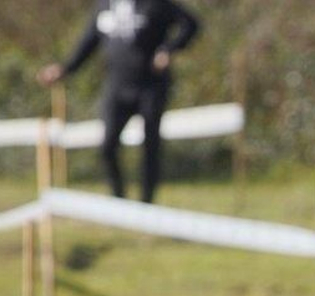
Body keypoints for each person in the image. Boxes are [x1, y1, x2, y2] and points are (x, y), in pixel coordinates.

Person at [38, 0, 200, 204]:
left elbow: (191, 24)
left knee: (150, 145)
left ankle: (147, 204)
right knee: (107, 146)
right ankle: (119, 200)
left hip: (151, 86)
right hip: (117, 87)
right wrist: (65, 69)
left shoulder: (155, 4)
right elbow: (88, 43)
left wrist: (168, 49)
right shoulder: (104, 6)